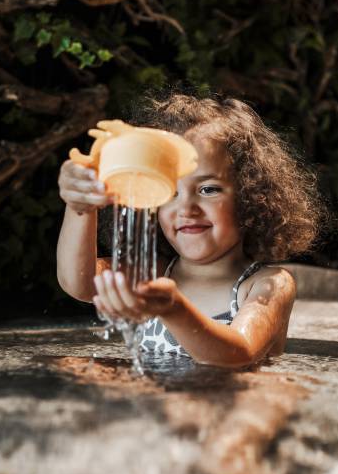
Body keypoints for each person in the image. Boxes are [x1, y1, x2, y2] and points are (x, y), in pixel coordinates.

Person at [57, 92, 323, 367]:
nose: (187, 208)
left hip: (232, 406)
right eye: (170, 192)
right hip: (163, 404)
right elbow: (79, 282)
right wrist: (80, 205)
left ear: (251, 197)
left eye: (208, 189)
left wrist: (174, 309)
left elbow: (239, 352)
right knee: (73, 366)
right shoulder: (155, 272)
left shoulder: (267, 284)